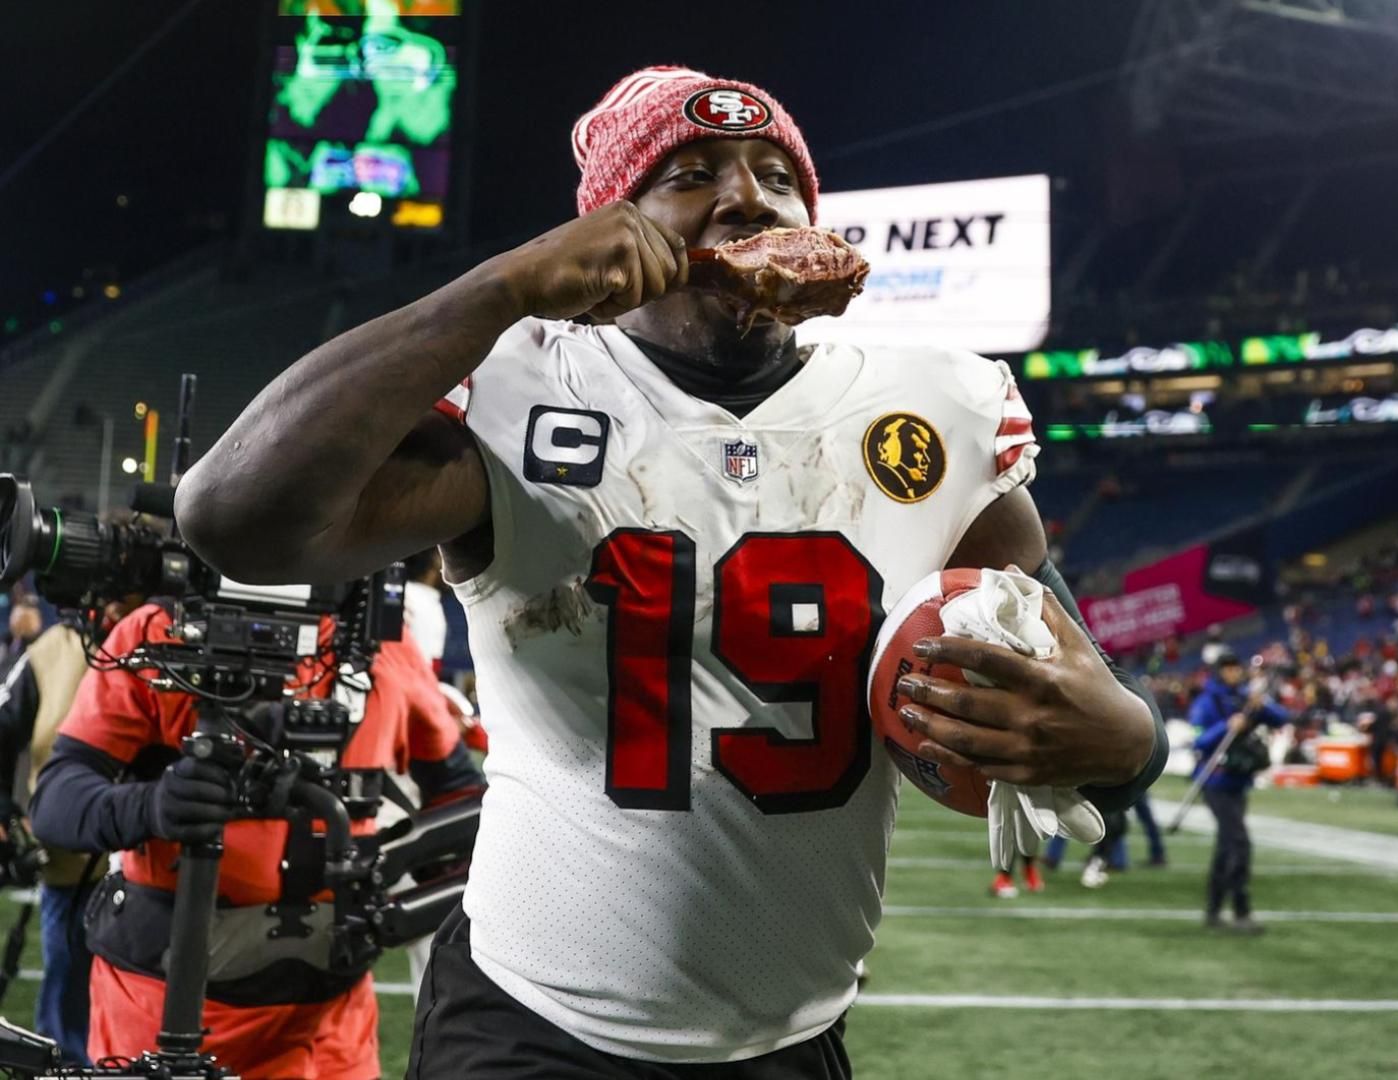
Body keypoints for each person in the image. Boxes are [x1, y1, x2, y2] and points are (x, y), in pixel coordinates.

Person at [175, 65, 1167, 1077]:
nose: (748, 197)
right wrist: (502, 285)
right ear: (615, 230)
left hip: (792, 1031)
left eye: (780, 178)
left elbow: (1050, 671)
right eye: (691, 173)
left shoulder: (934, 406)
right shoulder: (523, 380)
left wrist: (1133, 743)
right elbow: (237, 521)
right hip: (531, 1022)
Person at [28, 606, 483, 1079]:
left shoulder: (384, 644)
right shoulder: (158, 633)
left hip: (329, 1025)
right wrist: (151, 806)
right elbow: (56, 801)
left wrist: (393, 890)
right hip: (159, 1014)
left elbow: (463, 797)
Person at [0, 610, 100, 1064]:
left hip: (156, 869)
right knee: (66, 1018)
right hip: (72, 863)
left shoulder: (164, 636)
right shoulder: (53, 650)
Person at [1188, 651, 1285, 933]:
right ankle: (1241, 911)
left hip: (1237, 782)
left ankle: (1214, 910)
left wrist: (1262, 704)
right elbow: (1199, 739)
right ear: (1218, 672)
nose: (1232, 674)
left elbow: (1281, 718)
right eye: (1227, 669)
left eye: (1235, 668)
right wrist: (1226, 726)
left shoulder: (1245, 699)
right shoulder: (1207, 701)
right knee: (1239, 843)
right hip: (1215, 781)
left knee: (1226, 846)